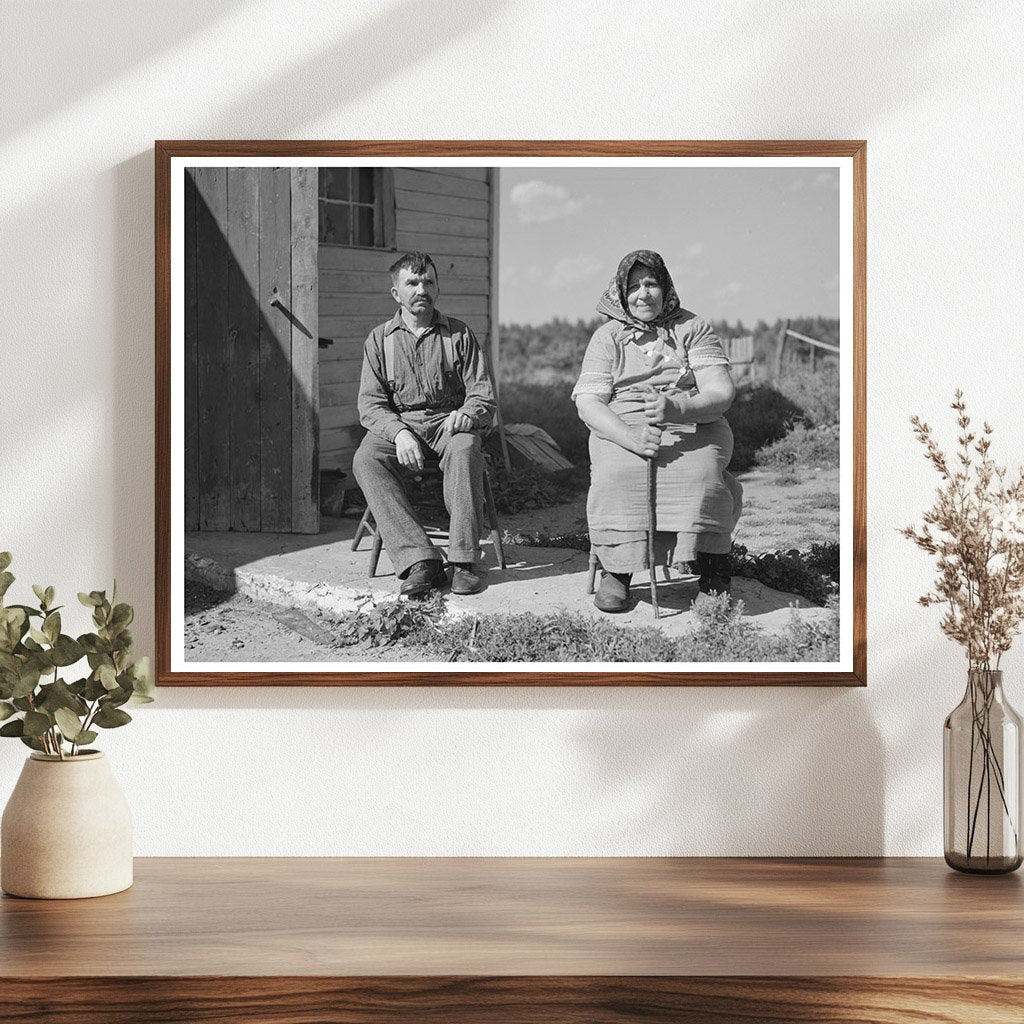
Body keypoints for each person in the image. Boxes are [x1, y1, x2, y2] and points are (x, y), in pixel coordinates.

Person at [572, 250, 742, 613]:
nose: (643, 294)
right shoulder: (608, 337)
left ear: (665, 288)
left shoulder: (692, 328)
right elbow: (589, 403)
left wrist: (678, 408)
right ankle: (618, 571)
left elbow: (720, 391)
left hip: (692, 418)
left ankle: (713, 570)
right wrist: (631, 437)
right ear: (621, 292)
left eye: (651, 284)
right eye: (633, 287)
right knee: (618, 473)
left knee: (701, 473)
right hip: (624, 422)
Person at [353, 252, 495, 597]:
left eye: (428, 281)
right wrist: (399, 433)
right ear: (396, 294)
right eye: (412, 283)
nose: (421, 289)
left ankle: (463, 561)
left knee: (465, 447)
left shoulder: (458, 334)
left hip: (448, 424)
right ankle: (421, 559)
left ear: (437, 288)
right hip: (400, 424)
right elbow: (370, 404)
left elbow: (483, 395)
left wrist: (468, 414)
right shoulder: (380, 340)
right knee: (366, 459)